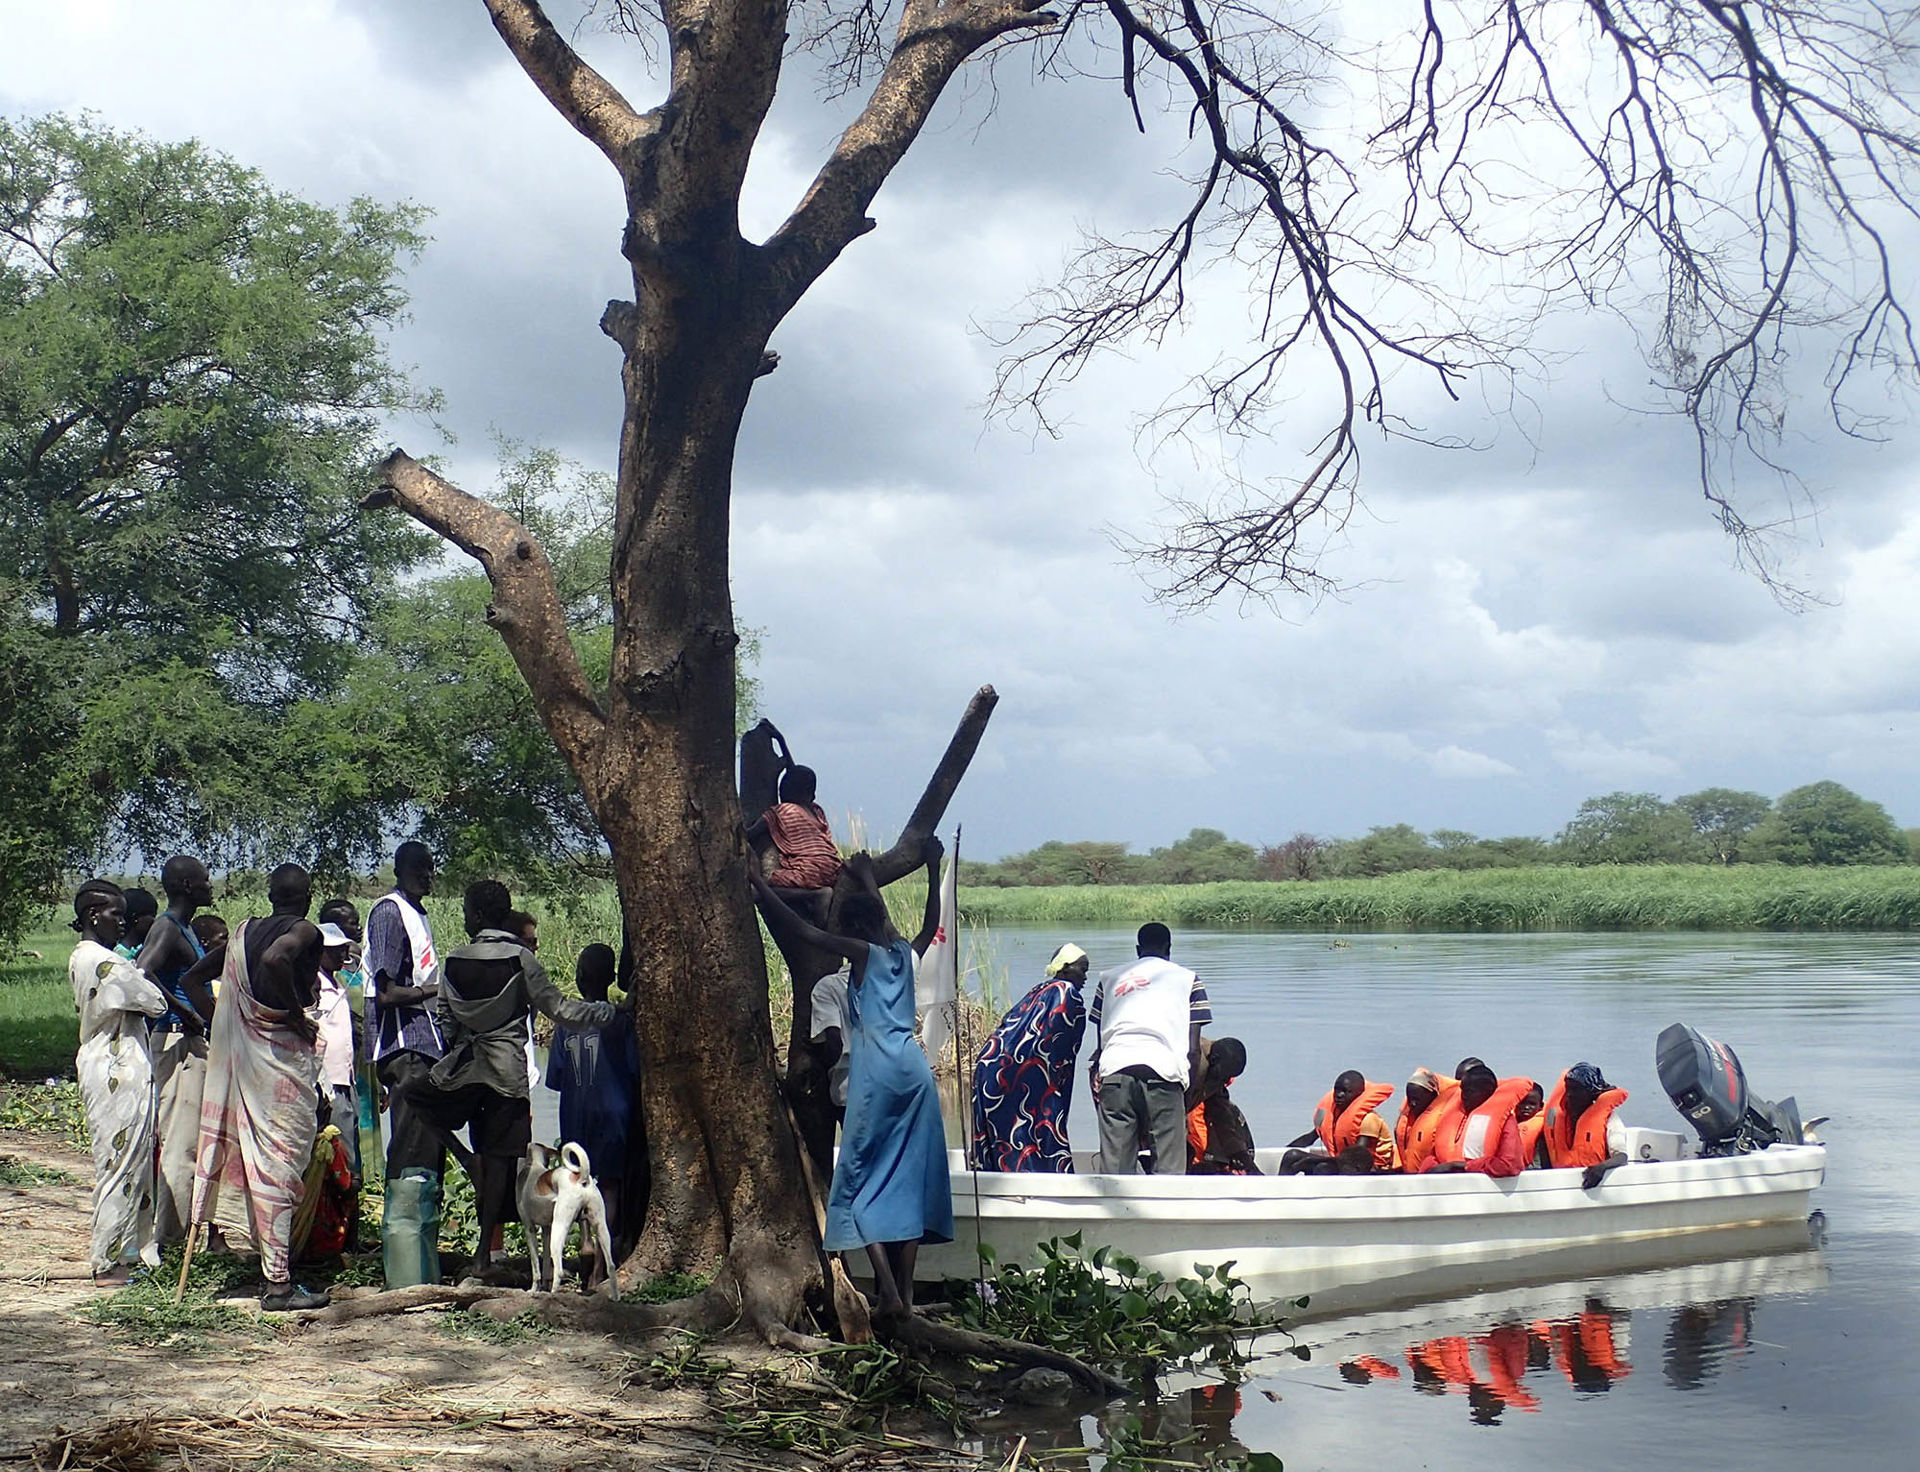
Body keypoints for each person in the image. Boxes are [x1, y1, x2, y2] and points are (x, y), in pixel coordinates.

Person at [751, 842, 951, 1319]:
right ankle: (902, 1292)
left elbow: (803, 930)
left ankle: (888, 1295)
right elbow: (926, 925)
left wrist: (760, 887)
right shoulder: (903, 953)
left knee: (858, 1182)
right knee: (907, 1183)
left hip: (875, 1074)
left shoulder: (860, 954)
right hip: (915, 1073)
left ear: (851, 928)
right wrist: (930, 867)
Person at [431, 881, 622, 1286]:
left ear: (480, 917)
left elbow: (446, 1022)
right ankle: (489, 1256)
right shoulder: (519, 960)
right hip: (507, 1078)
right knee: (506, 1164)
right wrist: (607, 1013)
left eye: (466, 910)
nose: (464, 917)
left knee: (484, 1160)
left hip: (469, 1077)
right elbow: (559, 1009)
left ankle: (485, 1254)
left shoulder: (453, 961)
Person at [190, 863, 329, 1311]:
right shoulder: (304, 931)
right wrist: (291, 1015)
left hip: (249, 1058)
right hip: (280, 1062)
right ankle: (278, 1285)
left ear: (271, 896)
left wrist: (227, 1025)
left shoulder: (241, 932)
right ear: (306, 896)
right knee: (280, 1163)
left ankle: (271, 1267)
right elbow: (276, 959)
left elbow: (193, 980)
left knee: (260, 1159)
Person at [69, 879, 169, 1286]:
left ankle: (130, 1252)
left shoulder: (87, 956)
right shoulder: (102, 961)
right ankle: (108, 1262)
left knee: (135, 1165)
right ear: (94, 915)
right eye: (115, 914)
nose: (121, 923)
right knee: (119, 1166)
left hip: (118, 1062)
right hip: (116, 1068)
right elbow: (154, 1000)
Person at [363, 841, 445, 1288]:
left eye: (430, 868)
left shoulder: (417, 913)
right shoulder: (389, 913)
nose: (426, 876)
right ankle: (404, 1273)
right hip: (404, 1046)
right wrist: (437, 992)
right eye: (418, 869)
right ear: (398, 870)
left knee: (428, 1150)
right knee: (410, 1151)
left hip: (425, 1046)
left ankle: (422, 1265)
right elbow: (388, 990)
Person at [546, 941, 641, 1279]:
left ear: (579, 976)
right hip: (614, 1112)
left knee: (577, 1183)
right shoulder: (621, 1021)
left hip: (575, 1114)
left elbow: (555, 1079)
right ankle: (601, 1263)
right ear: (611, 977)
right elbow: (634, 1071)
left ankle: (585, 1241)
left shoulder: (565, 1022)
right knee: (609, 1187)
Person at [136, 854, 218, 1246]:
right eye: (204, 879)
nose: (210, 885)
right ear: (187, 886)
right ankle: (171, 1241)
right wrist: (181, 1009)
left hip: (186, 1041)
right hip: (174, 1042)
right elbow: (141, 971)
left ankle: (183, 1236)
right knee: (180, 1143)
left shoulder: (182, 928)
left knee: (192, 1142)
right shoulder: (167, 928)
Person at [1087, 923, 1210, 1175]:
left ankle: (1117, 1212)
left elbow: (1100, 1042)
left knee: (1115, 1169)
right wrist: (1188, 1091)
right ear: (1169, 948)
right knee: (1168, 1168)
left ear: (1137, 949)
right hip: (1164, 1073)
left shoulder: (1108, 980)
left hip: (1115, 1071)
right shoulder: (1188, 979)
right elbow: (1193, 1050)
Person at [971, 942, 1091, 1173]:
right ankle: (1045, 1179)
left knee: (1008, 1130)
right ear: (1065, 969)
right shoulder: (1068, 994)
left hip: (992, 1067)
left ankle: (1004, 1179)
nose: (1085, 977)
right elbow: (1057, 1053)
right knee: (1042, 1122)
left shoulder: (1040, 989)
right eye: (1082, 970)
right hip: (1021, 1072)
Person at [313, 923, 362, 1188]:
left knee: (349, 1144)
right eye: (333, 950)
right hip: (328, 1079)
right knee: (336, 1151)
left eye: (342, 949)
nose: (341, 954)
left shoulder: (337, 982)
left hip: (346, 1076)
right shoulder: (314, 984)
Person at [748, 765, 844, 898]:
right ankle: (819, 892)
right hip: (834, 868)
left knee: (770, 884)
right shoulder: (817, 812)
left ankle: (816, 895)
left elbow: (750, 834)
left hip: (809, 869)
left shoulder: (781, 811)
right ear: (811, 795)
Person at [1424, 1063, 1529, 1178]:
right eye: (1462, 1091)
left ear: (1487, 1093)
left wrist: (1459, 1166)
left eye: (1469, 1092)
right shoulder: (1454, 1116)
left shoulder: (1505, 1121)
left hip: (1482, 1189)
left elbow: (1509, 1165)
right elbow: (1434, 1154)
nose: (1463, 1096)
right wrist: (1432, 1166)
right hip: (1449, 1187)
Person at [1543, 1063, 1631, 1188]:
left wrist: (1601, 1168)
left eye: (1576, 1090)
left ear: (1591, 1093)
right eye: (1568, 1088)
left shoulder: (1609, 1119)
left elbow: (1621, 1156)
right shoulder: (1554, 1115)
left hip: (1591, 1180)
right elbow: (1545, 1143)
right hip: (1558, 1180)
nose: (1569, 1094)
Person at [1186, 1037, 1259, 1175]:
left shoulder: (1216, 1074)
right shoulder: (1193, 1062)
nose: (1226, 1081)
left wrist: (1239, 1153)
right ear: (1214, 1060)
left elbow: (1221, 1116)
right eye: (1224, 1076)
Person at [1307, 1070, 1398, 1172]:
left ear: (1358, 1095)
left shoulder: (1369, 1119)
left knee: (1322, 1168)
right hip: (1345, 1163)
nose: (1339, 1095)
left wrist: (1314, 1160)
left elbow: (1357, 1155)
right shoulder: (1335, 1116)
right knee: (1292, 1156)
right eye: (1337, 1090)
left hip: (1372, 1169)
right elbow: (1311, 1136)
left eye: (1346, 1091)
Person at [1394, 1067, 1456, 1174]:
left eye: (1417, 1099)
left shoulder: (1442, 1119)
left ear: (1433, 1095)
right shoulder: (1407, 1118)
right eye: (1410, 1099)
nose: (1412, 1104)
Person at [116, 887, 159, 957]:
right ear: (136, 917)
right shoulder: (121, 955)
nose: (154, 920)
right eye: (152, 915)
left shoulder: (142, 947)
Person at [1516, 1081, 1549, 1168]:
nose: (1526, 1107)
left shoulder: (1545, 1127)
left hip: (1535, 1170)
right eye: (1522, 1102)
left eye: (1532, 1104)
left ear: (1541, 1106)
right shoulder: (1508, 1123)